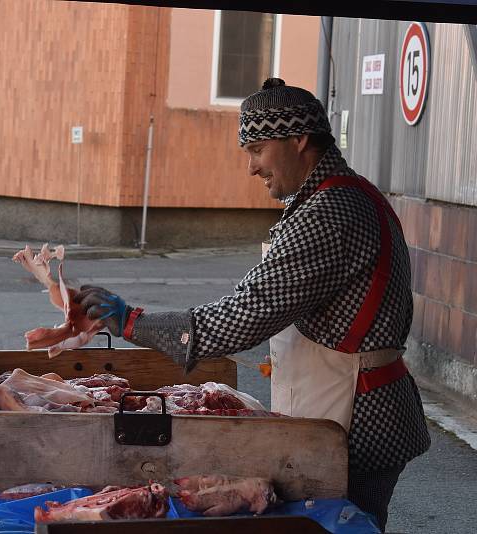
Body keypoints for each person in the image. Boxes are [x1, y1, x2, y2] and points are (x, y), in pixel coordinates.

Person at [75, 78, 430, 532]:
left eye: (258, 149)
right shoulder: (338, 197)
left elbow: (245, 316)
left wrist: (131, 322)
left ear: (299, 140)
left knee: (341, 525)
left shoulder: (329, 214)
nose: (251, 168)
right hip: (342, 406)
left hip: (359, 419)